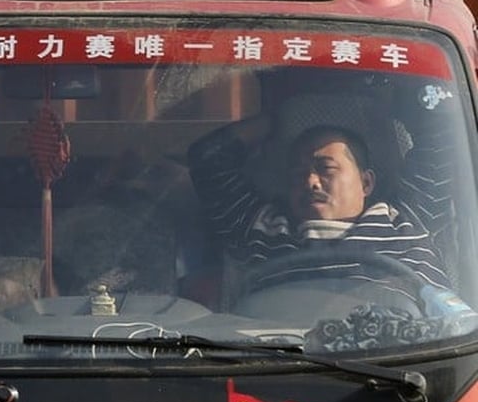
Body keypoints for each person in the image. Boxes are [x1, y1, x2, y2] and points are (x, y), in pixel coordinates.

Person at [187, 116, 453, 311]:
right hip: (275, 367)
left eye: (325, 168)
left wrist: (389, 98)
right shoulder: (261, 225)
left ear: (366, 183)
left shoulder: (408, 216)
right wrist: (273, 116)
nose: (310, 182)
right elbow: (208, 159)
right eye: (297, 174)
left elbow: (445, 137)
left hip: (406, 362)